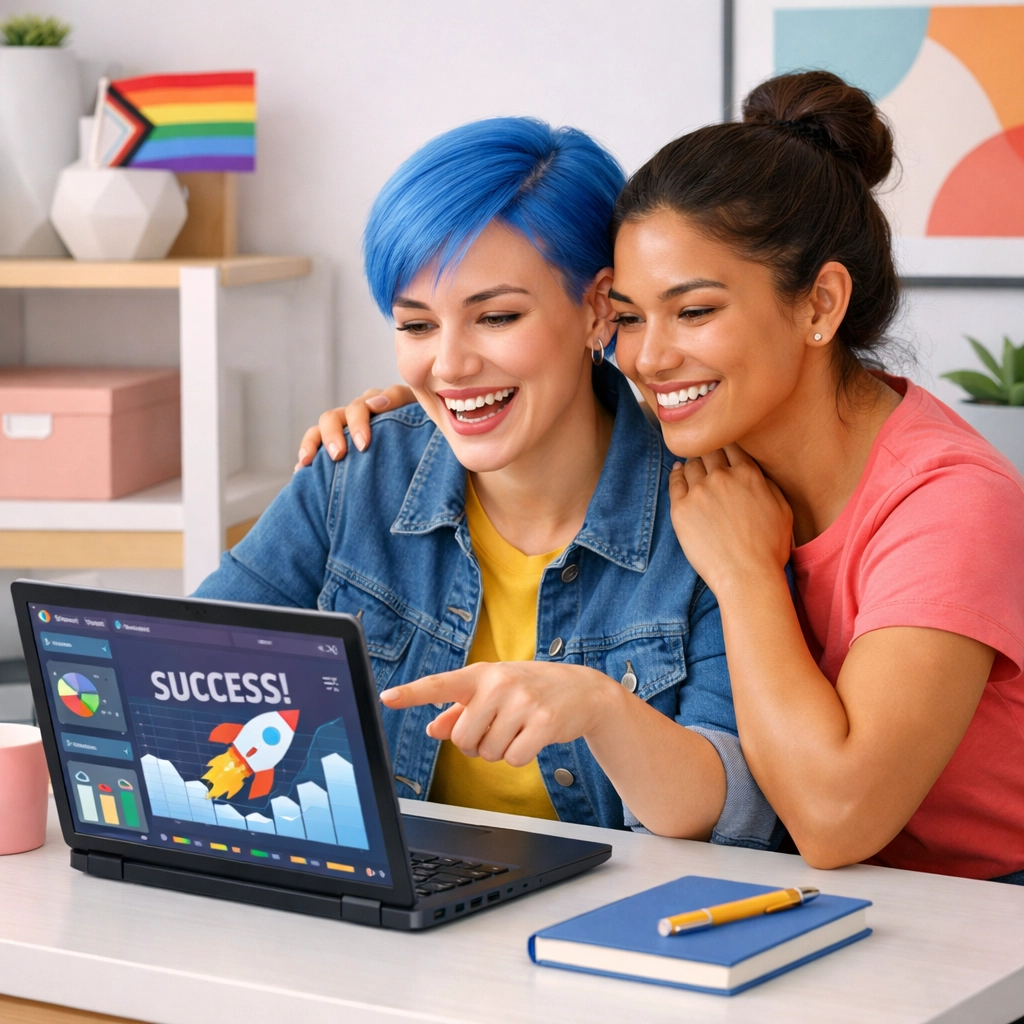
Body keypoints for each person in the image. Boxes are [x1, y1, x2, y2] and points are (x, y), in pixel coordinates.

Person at [304, 74, 1024, 881]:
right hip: (820, 899)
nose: (648, 358)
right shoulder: (710, 444)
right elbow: (557, 398)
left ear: (820, 304)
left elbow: (833, 820)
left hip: (983, 916)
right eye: (633, 317)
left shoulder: (949, 504)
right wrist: (438, 398)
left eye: (696, 311)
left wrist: (747, 574)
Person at [197, 116, 779, 848]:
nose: (449, 366)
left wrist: (599, 707)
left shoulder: (709, 513)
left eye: (496, 316)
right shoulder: (359, 473)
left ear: (598, 307)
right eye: (416, 327)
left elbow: (733, 810)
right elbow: (186, 668)